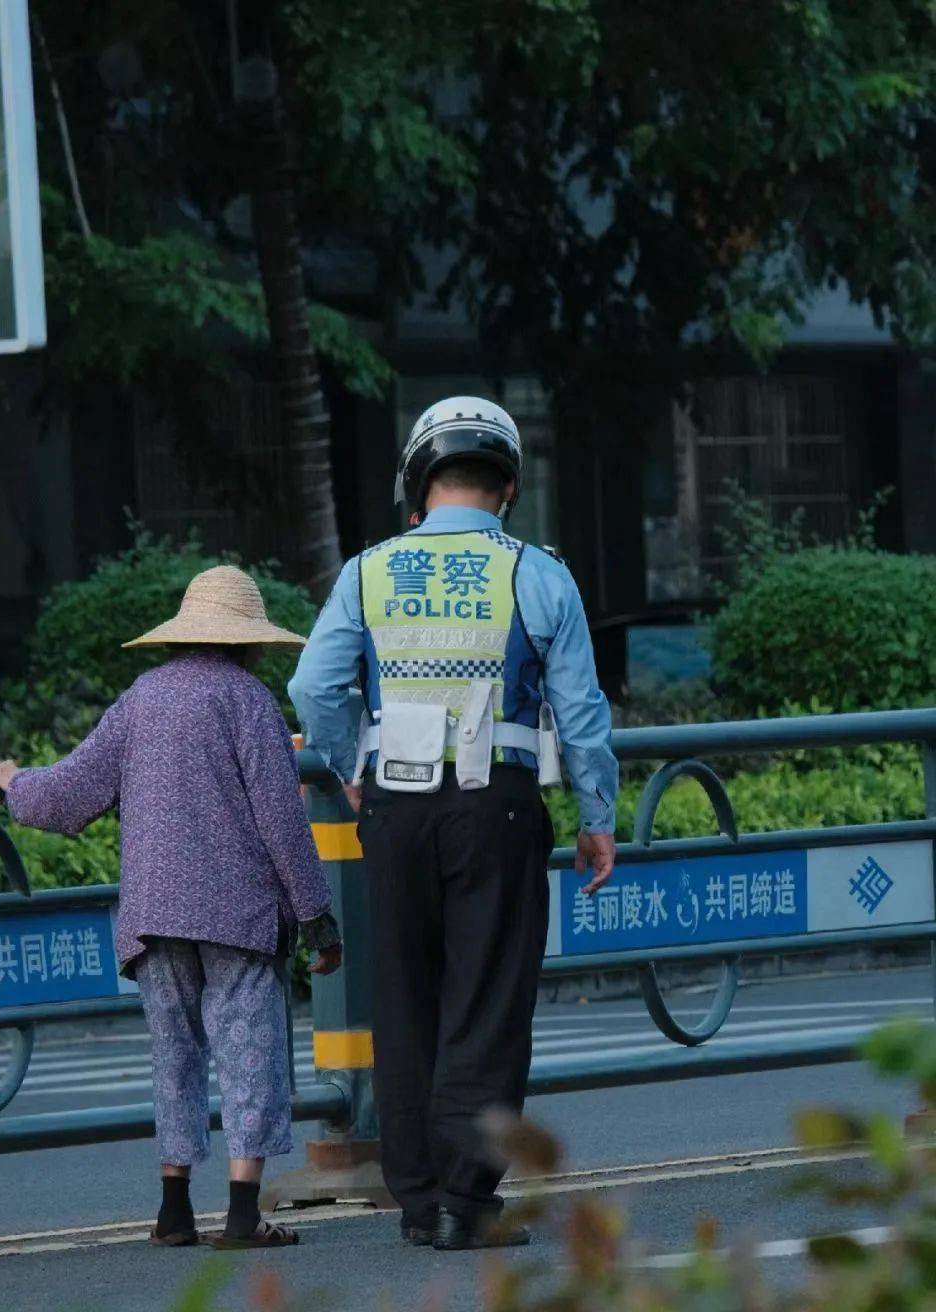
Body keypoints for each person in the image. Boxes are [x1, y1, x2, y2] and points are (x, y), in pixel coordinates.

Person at [288, 397, 618, 1251]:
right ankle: (467, 1204)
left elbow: (314, 689)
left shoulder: (367, 571)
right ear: (507, 484)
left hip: (393, 813)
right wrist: (596, 816)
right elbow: (581, 714)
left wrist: (352, 767)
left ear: (420, 482)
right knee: (488, 1004)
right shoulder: (537, 574)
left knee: (404, 1001)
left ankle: (418, 1200)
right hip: (497, 807)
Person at [0, 566, 342, 1250]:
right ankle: (241, 1215)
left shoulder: (141, 699)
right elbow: (280, 824)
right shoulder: (249, 702)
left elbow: (69, 796)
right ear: (249, 643)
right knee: (247, 1051)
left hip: (154, 910)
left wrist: (12, 781)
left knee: (174, 1055)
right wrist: (318, 915)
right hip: (237, 911)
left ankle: (173, 1209)